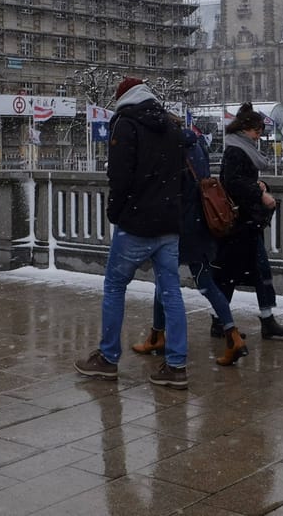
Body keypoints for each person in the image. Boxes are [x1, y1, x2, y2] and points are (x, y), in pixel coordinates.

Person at [74, 77, 190, 388]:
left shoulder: (125, 124)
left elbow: (119, 177)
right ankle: (176, 365)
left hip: (137, 222)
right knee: (171, 292)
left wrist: (116, 213)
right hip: (168, 223)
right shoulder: (171, 125)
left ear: (123, 97)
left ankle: (108, 358)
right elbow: (181, 176)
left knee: (114, 286)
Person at [131, 122, 248, 366]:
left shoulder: (170, 151)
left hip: (178, 226)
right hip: (201, 224)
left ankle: (158, 336)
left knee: (164, 280)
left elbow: (166, 192)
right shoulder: (196, 146)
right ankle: (232, 334)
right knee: (205, 282)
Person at [213, 102, 283, 339]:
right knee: (250, 270)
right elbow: (232, 182)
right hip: (242, 221)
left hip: (245, 221)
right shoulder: (236, 150)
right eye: (257, 131)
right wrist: (260, 193)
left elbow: (238, 181)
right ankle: (259, 320)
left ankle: (228, 319)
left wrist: (259, 186)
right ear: (245, 129)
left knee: (236, 272)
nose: (259, 136)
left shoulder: (240, 148)